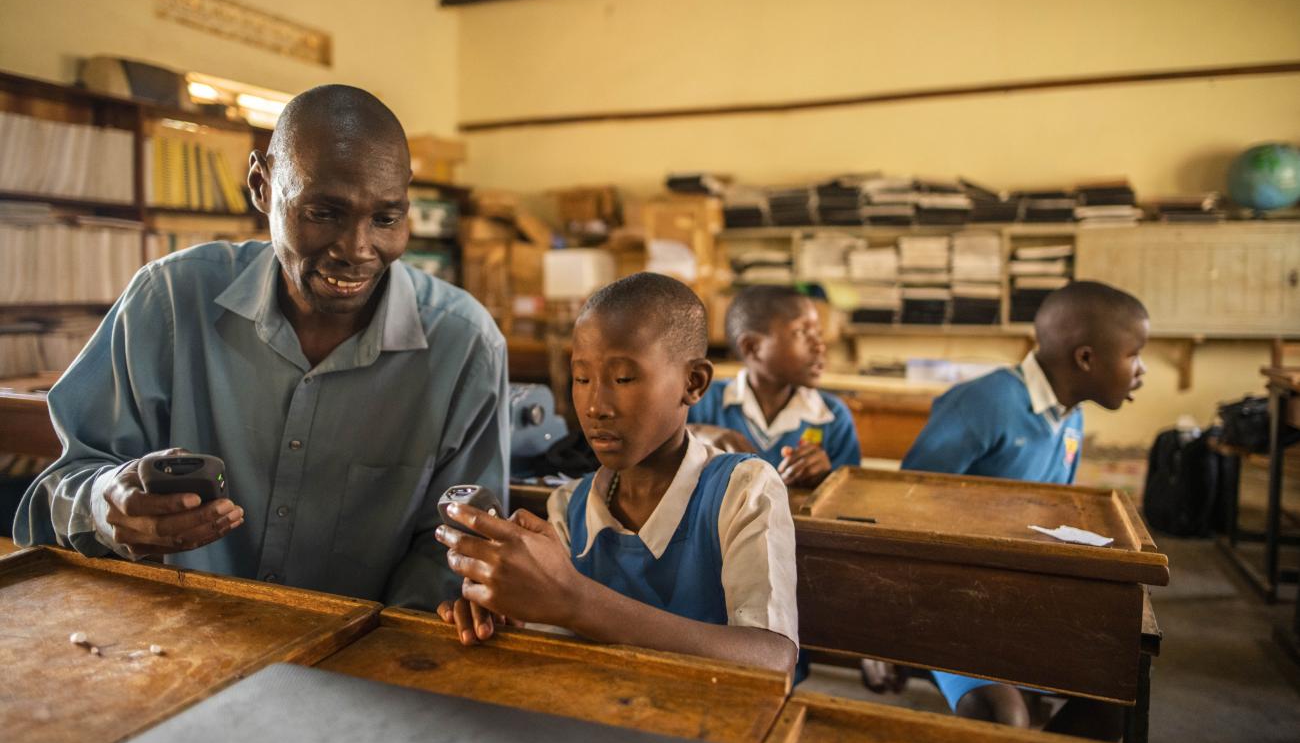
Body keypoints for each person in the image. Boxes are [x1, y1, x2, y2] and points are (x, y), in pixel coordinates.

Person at [14, 85, 508, 610]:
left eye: (386, 219)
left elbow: (454, 554)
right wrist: (107, 502)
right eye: (324, 213)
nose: (357, 250)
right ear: (261, 185)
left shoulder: (465, 346)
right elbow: (53, 494)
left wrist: (375, 651)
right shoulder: (169, 304)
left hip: (361, 668)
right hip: (170, 642)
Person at [434, 273, 798, 675]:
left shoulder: (743, 489)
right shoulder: (569, 506)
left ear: (693, 383)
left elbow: (772, 656)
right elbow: (556, 639)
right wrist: (503, 610)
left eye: (623, 378)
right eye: (581, 378)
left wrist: (575, 601)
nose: (595, 406)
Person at [901, 280, 1149, 740]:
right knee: (1002, 715)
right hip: (947, 597)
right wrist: (877, 638)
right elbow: (901, 502)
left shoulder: (1070, 414)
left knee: (1119, 688)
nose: (1142, 369)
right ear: (1087, 359)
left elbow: (1052, 513)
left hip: (1017, 591)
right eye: (1134, 354)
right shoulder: (986, 403)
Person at [687, 285, 860, 489]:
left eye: (818, 333)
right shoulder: (701, 401)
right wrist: (696, 435)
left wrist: (825, 476)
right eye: (801, 332)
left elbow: (849, 495)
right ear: (752, 347)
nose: (819, 345)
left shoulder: (832, 417)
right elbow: (658, 457)